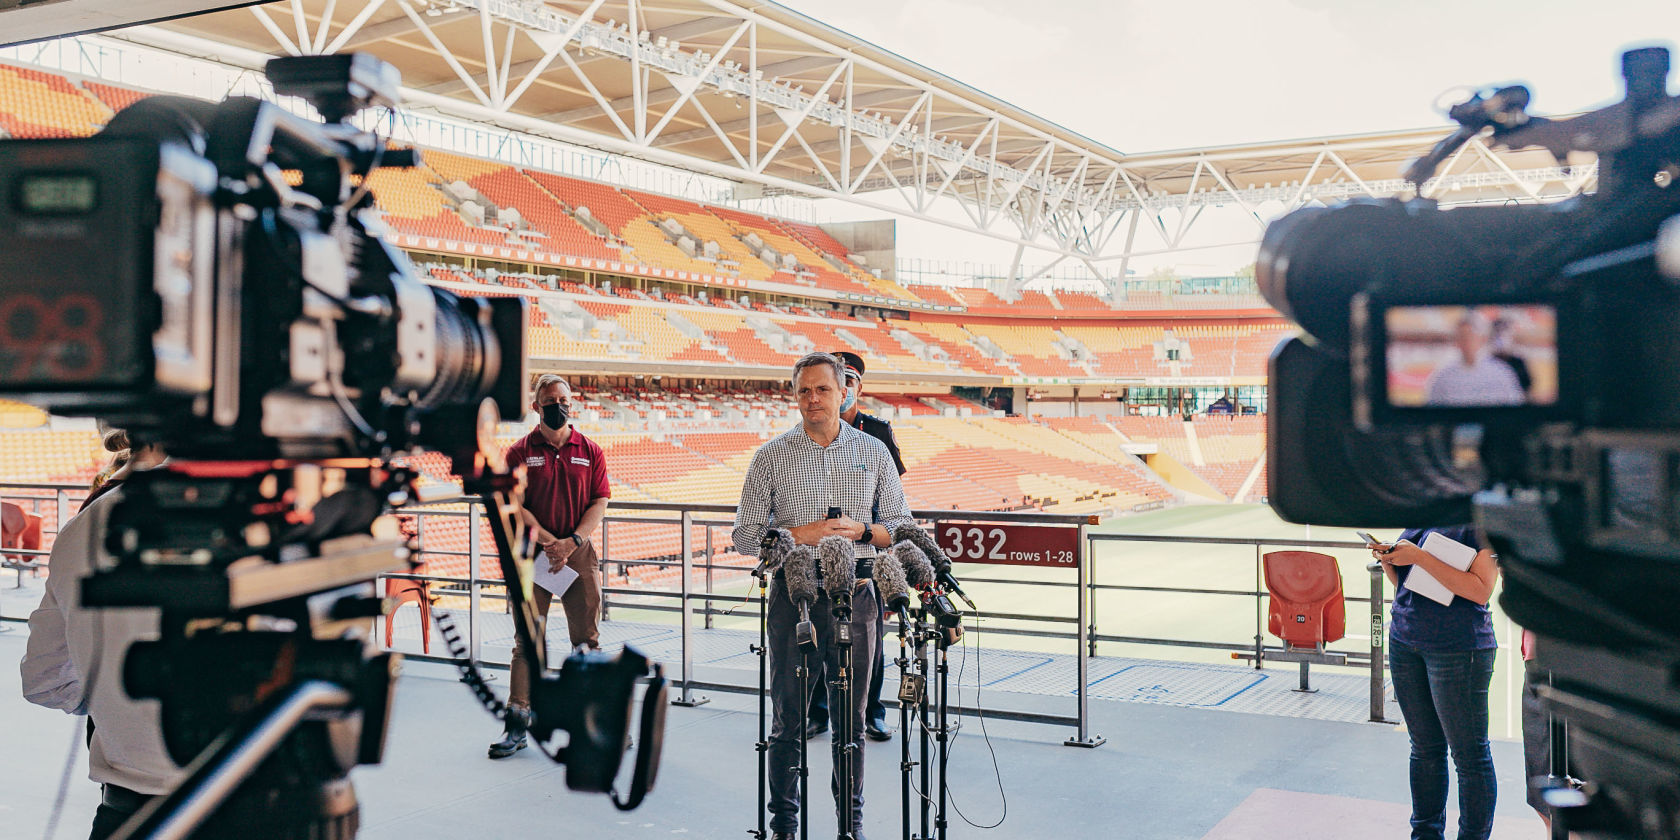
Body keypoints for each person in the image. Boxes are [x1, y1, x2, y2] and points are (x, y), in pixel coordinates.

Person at [734, 351, 915, 840]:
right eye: (804, 390)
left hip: (857, 598)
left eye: (823, 389)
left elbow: (903, 529)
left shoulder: (874, 452)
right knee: (787, 722)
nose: (813, 398)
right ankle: (783, 829)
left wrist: (861, 530)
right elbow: (746, 536)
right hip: (793, 599)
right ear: (794, 396)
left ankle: (849, 830)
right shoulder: (770, 456)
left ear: (844, 393)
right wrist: (805, 533)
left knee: (850, 726)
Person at [21, 438, 177, 840]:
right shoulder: (272, 520)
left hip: (126, 815)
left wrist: (114, 700)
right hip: (253, 809)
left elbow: (44, 682)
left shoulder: (81, 527)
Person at [488, 373, 611, 759]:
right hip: (532, 556)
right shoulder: (520, 452)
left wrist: (572, 540)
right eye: (549, 400)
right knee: (526, 641)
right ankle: (518, 721)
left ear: (571, 403)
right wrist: (546, 540)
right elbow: (512, 501)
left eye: (563, 399)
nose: (557, 405)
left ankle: (591, 724)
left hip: (578, 553)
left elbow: (600, 501)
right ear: (536, 406)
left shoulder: (590, 450)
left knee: (586, 643)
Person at [1369, 525, 1501, 840]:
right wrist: (1390, 560)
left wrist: (1420, 557)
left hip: (1458, 648)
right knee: (1425, 749)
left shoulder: (1476, 520)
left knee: (1470, 757)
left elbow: (1481, 590)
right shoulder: (1421, 514)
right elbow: (1408, 585)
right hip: (1405, 640)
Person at [806, 350, 906, 743]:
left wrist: (873, 533)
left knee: (870, 640)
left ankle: (871, 712)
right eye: (837, 381)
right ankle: (818, 712)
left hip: (869, 548)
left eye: (848, 381)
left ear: (858, 387)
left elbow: (893, 496)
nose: (842, 389)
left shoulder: (877, 431)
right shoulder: (809, 427)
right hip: (821, 548)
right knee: (815, 634)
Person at [1423, 312, 1526, 407]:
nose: (1467, 342)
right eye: (1462, 337)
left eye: (1471, 336)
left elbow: (1515, 406)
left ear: (1482, 339)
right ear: (1456, 341)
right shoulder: (1443, 376)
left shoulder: (1502, 373)